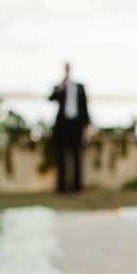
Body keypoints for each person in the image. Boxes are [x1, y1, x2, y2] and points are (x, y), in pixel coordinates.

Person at [49, 62, 90, 193]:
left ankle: (77, 187)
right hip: (62, 125)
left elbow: (84, 107)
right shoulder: (60, 86)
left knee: (77, 156)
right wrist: (60, 86)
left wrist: (86, 126)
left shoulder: (80, 87)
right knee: (61, 157)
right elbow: (51, 98)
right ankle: (61, 187)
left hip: (76, 125)